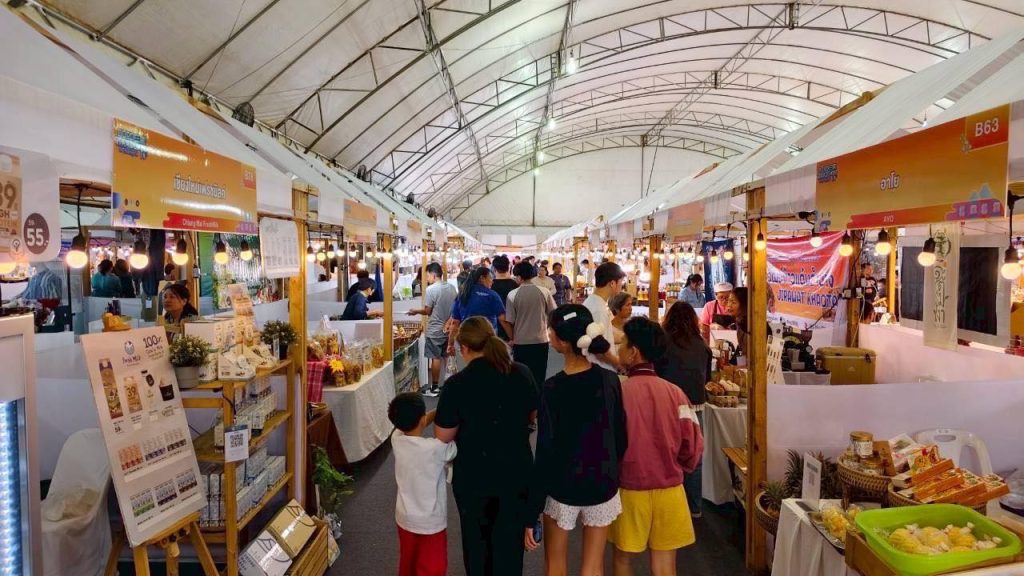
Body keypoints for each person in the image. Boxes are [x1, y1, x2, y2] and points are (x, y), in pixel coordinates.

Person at [523, 304, 628, 576]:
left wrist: (532, 509)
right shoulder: (610, 380)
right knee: (593, 566)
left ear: (561, 341)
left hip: (562, 484)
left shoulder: (552, 388)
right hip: (602, 481)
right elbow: (621, 436)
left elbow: (545, 451)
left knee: (555, 564)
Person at [434, 318, 539, 576]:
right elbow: (533, 414)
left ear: (465, 348)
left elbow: (443, 435)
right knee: (510, 547)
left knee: (476, 545)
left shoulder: (456, 384)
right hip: (516, 470)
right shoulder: (521, 372)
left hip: (473, 475)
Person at [609, 317, 703, 576]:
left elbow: (607, 446)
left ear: (634, 352)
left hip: (629, 489)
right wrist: (678, 468)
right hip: (670, 489)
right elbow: (693, 447)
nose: (619, 348)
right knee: (664, 565)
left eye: (623, 343)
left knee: (623, 560)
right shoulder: (676, 393)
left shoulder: (618, 393)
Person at [388, 393, 457, 576]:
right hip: (431, 522)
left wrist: (430, 414)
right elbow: (453, 448)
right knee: (432, 567)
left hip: (405, 518)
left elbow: (410, 424)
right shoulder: (436, 449)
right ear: (422, 419)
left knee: (408, 562)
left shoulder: (396, 439)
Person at [658, 301, 712, 518]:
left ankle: (667, 505)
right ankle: (694, 507)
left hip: (667, 403)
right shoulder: (703, 346)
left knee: (666, 453)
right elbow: (707, 379)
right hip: (694, 405)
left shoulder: (662, 342)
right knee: (694, 456)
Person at [407, 263, 457, 397]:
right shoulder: (452, 288)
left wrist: (415, 311)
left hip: (435, 329)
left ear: (434, 275)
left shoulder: (431, 290)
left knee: (435, 358)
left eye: (428, 275)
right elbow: (455, 308)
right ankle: (449, 384)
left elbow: (428, 311)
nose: (427, 278)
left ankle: (434, 387)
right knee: (446, 357)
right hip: (449, 329)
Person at [505, 262, 557, 389]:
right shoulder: (545, 292)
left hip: (520, 342)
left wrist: (512, 338)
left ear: (519, 277)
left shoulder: (512, 294)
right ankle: (539, 398)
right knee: (539, 374)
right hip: (541, 340)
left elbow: (509, 321)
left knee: (522, 375)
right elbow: (553, 313)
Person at [447, 267, 507, 356]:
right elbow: (502, 319)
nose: (492, 281)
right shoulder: (492, 295)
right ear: (482, 278)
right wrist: (512, 337)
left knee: (470, 363)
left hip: (467, 340)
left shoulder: (462, 295)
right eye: (490, 278)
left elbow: (455, 323)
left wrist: (450, 344)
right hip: (488, 340)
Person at [582, 261, 626, 371]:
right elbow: (599, 349)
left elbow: (608, 333)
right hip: (600, 370)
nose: (622, 285)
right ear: (612, 283)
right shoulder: (598, 309)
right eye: (621, 281)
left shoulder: (597, 303)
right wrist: (619, 363)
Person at [490, 255, 519, 340]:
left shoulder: (490, 285)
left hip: (494, 325)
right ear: (508, 268)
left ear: (494, 269)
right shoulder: (514, 285)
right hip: (513, 324)